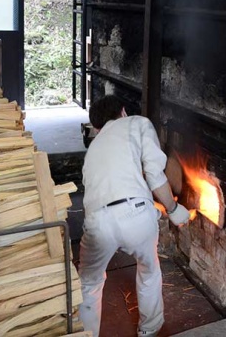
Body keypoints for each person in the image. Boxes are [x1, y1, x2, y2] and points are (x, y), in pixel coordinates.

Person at [78, 95, 190, 337]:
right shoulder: (138, 123)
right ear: (123, 112)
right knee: (149, 270)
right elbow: (154, 174)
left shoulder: (93, 148)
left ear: (96, 127)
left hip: (97, 223)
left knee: (89, 283)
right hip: (136, 214)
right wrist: (173, 209)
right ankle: (148, 330)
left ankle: (85, 334)